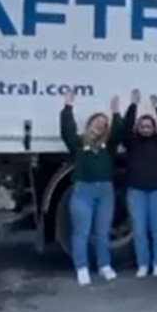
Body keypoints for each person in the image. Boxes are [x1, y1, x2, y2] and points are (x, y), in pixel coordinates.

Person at [60, 91, 124, 286]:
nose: (100, 125)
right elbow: (66, 131)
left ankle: (104, 266)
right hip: (83, 192)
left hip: (105, 192)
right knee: (81, 232)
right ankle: (82, 268)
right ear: (90, 124)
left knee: (102, 232)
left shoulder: (108, 147)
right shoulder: (78, 144)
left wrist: (115, 113)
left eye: (104, 124)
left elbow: (119, 132)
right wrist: (68, 107)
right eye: (97, 121)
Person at [123, 89, 157, 278]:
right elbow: (126, 127)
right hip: (137, 190)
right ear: (138, 128)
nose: (146, 129)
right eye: (142, 126)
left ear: (154, 128)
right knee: (140, 230)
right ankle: (143, 264)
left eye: (149, 126)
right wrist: (133, 105)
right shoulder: (132, 142)